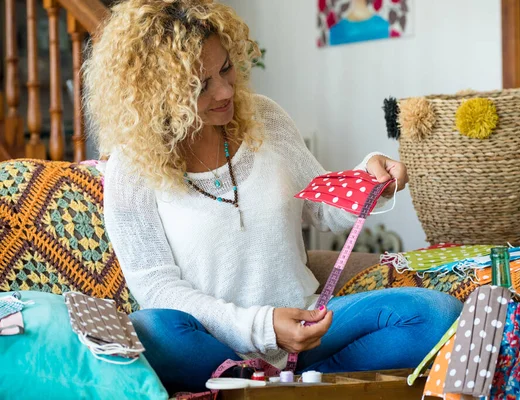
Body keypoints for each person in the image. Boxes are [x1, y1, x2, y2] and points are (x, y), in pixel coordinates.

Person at [83, 0, 462, 394]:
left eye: (226, 68)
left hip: (309, 329)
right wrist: (262, 327)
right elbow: (157, 289)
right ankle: (277, 383)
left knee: (438, 314)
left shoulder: (264, 117)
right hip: (215, 344)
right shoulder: (131, 166)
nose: (226, 90)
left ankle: (276, 387)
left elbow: (319, 206)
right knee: (153, 329)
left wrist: (369, 179)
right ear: (154, 93)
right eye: (200, 85)